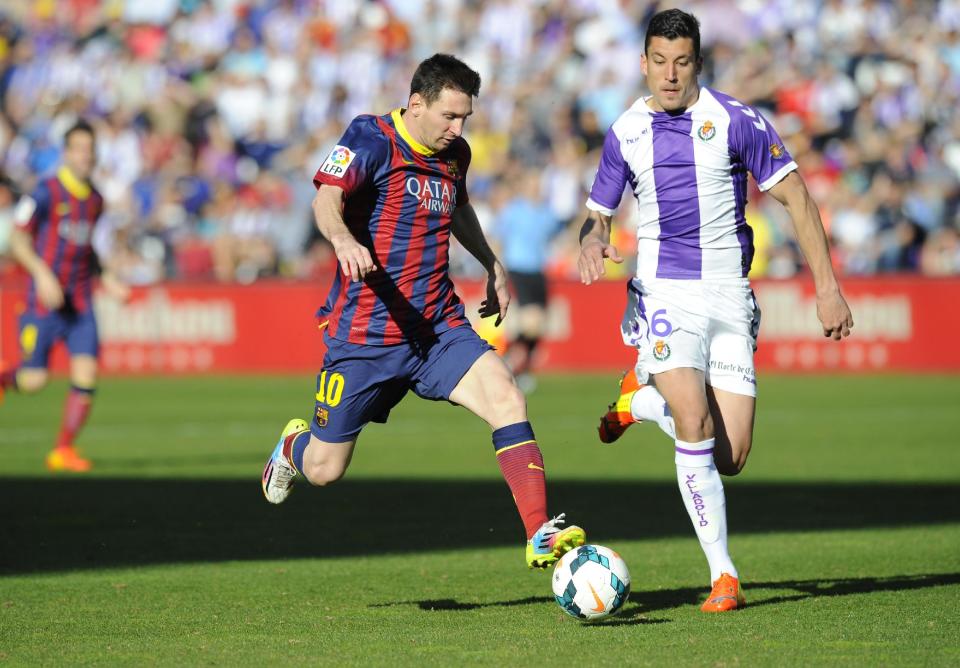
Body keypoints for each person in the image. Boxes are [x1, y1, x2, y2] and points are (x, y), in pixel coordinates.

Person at [261, 54, 586, 569]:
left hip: (437, 328)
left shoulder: (455, 154)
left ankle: (539, 534)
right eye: (449, 117)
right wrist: (343, 239)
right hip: (366, 335)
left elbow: (457, 208)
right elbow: (325, 199)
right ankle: (292, 446)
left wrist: (490, 261)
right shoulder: (371, 138)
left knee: (505, 395)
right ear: (417, 104)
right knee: (325, 468)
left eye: (465, 119)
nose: (457, 130)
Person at [578, 9, 853, 612]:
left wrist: (826, 287)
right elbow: (597, 211)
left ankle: (637, 402)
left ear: (697, 62)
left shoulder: (736, 121)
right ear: (643, 62)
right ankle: (723, 576)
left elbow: (798, 199)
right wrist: (591, 238)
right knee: (695, 424)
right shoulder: (625, 130)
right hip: (663, 295)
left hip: (730, 292)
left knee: (730, 457)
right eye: (658, 61)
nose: (669, 75)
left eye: (681, 62)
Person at [1, 119, 130, 472]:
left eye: (91, 150)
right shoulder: (44, 192)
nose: (86, 156)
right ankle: (4, 378)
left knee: (86, 376)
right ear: (66, 153)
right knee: (34, 381)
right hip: (43, 300)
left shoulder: (96, 200)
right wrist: (42, 274)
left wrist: (109, 279)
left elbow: (88, 249)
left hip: (81, 300)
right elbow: (17, 239)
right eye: (79, 149)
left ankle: (62, 450)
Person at [491, 170, 563, 393]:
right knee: (531, 321)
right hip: (519, 267)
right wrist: (494, 269)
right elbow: (497, 238)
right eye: (531, 183)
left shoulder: (547, 213)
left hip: (538, 270)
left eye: (537, 183)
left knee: (538, 325)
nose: (535, 187)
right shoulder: (514, 211)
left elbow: (559, 233)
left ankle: (515, 365)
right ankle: (510, 364)